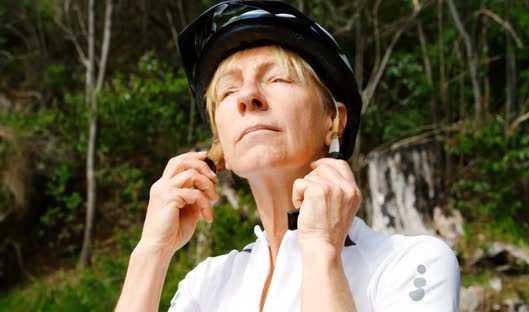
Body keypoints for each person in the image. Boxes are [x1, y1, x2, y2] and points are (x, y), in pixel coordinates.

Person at [116, 1, 460, 311]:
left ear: (334, 121)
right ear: (222, 149)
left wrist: (322, 251)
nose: (247, 96)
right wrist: (151, 253)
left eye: (278, 78)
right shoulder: (204, 285)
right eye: (229, 90)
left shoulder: (412, 264)